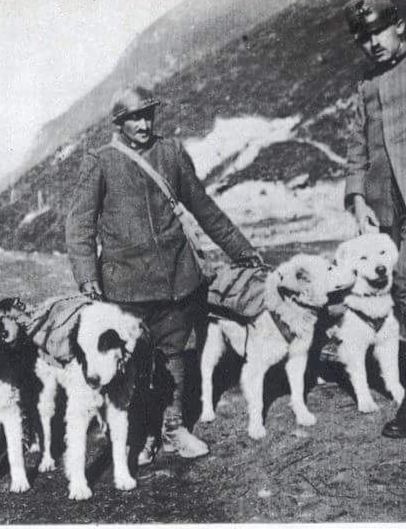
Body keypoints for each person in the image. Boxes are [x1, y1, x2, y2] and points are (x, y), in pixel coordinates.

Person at [66, 86, 263, 462]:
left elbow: (203, 207)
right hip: (126, 285)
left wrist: (241, 250)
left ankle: (174, 429)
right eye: (134, 118)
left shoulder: (171, 152)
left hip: (176, 277)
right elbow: (79, 224)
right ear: (119, 123)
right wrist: (86, 275)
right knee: (134, 362)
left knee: (174, 354)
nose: (143, 124)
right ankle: (142, 434)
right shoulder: (100, 161)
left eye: (147, 115)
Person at [342, 0, 406, 438]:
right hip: (390, 209)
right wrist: (357, 197)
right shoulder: (366, 87)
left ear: (399, 25)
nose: (374, 43)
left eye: (380, 31)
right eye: (364, 37)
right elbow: (357, 149)